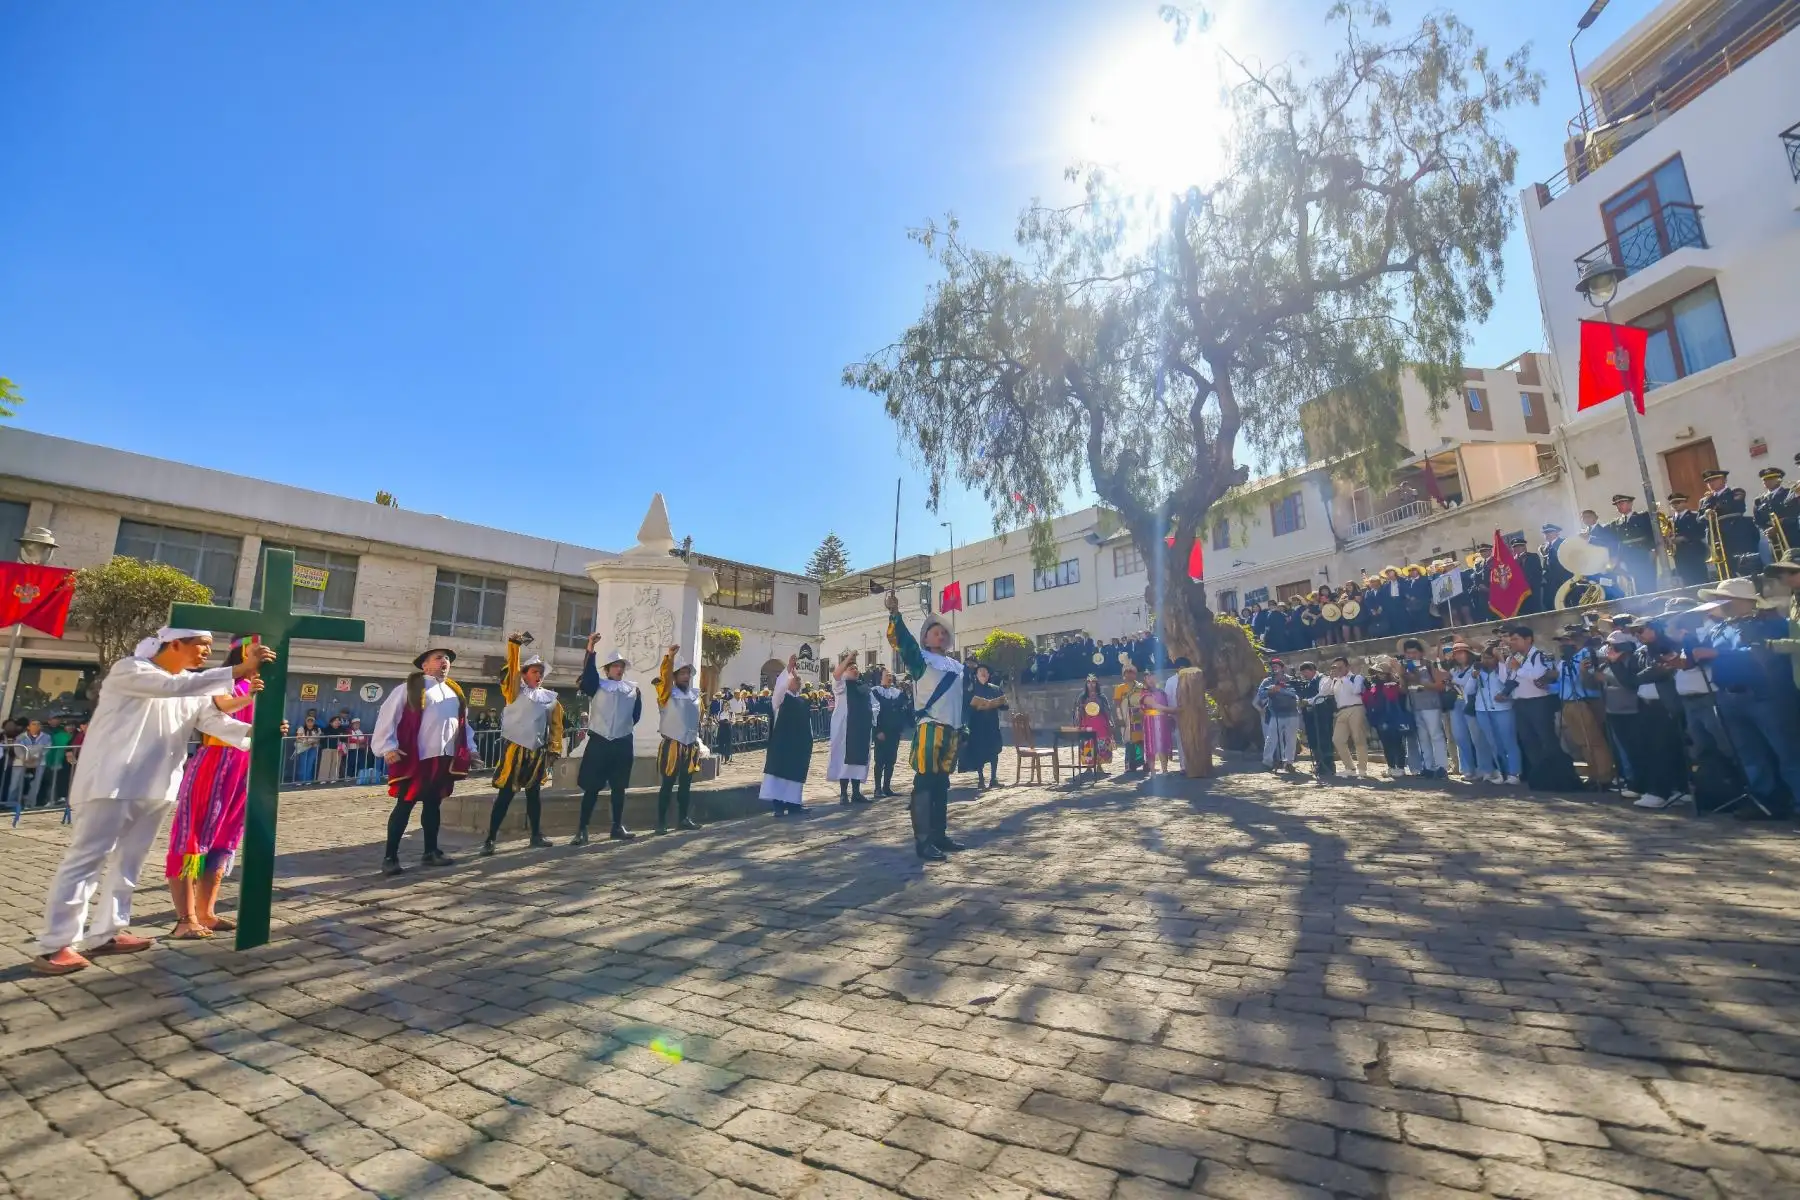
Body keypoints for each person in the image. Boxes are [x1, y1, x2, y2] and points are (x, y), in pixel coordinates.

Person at [34, 627, 275, 975]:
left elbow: (215, 722)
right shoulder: (131, 670)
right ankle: (55, 945)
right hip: (111, 784)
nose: (207, 652)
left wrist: (261, 731)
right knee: (86, 861)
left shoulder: (192, 687)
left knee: (129, 863)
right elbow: (173, 687)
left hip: (156, 787)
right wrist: (238, 670)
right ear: (174, 644)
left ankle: (107, 932)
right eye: (201, 646)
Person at [1690, 576, 1800, 816]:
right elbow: (1702, 651)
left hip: (1766, 696)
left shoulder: (1769, 622)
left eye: (1726, 599)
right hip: (1730, 697)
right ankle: (1766, 801)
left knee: (1788, 752)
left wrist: (1718, 655)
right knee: (1750, 754)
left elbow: (1765, 653)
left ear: (1743, 600)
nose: (1721, 603)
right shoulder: (1720, 627)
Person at [372, 644, 479, 874]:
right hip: (416, 758)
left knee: (433, 804)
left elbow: (463, 725)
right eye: (439, 658)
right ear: (425, 665)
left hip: (442, 758)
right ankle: (390, 857)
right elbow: (388, 717)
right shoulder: (409, 688)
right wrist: (387, 746)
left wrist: (471, 749)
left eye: (448, 659)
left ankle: (431, 852)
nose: (445, 662)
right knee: (405, 804)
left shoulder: (454, 692)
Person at [885, 592, 965, 859]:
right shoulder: (920, 660)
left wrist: (964, 727)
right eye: (935, 632)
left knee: (942, 785)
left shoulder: (957, 666)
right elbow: (904, 642)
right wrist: (895, 614)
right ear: (926, 638)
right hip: (930, 728)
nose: (940, 636)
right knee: (924, 783)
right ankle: (923, 841)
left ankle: (939, 835)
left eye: (944, 632)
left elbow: (961, 699)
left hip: (951, 730)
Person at [482, 633, 565, 856]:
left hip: (537, 752)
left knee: (534, 795)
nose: (538, 675)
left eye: (540, 672)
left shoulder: (550, 698)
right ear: (524, 675)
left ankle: (536, 835)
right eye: (534, 672)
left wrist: (554, 748)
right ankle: (490, 838)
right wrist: (514, 646)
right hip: (515, 751)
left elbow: (556, 725)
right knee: (505, 796)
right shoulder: (513, 692)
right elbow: (511, 669)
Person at [575, 634, 642, 843]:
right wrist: (590, 648)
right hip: (599, 742)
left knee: (619, 787)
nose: (619, 669)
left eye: (621, 666)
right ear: (607, 669)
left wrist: (622, 729)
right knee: (592, 788)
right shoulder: (598, 685)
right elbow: (587, 677)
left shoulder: (633, 689)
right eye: (614, 666)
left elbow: (635, 715)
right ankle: (582, 828)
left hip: (622, 742)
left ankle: (617, 826)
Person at [1502, 624, 1583, 791]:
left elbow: (1538, 675)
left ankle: (1558, 775)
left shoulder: (1541, 655)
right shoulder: (1513, 657)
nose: (1512, 643)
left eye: (1515, 639)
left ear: (1528, 639)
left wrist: (1519, 669)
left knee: (1546, 738)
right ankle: (1540, 775)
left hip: (1539, 702)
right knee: (1528, 740)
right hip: (1520, 702)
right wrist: (1506, 664)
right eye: (1511, 640)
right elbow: (1507, 678)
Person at [650, 644, 705, 834]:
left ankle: (683, 818)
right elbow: (664, 679)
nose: (685, 676)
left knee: (685, 785)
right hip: (672, 744)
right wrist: (669, 658)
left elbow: (698, 717)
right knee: (667, 784)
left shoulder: (695, 696)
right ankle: (661, 822)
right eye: (681, 673)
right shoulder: (666, 693)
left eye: (687, 673)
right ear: (674, 676)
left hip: (690, 745)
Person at [1554, 625, 1615, 791]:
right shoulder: (1565, 658)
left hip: (1584, 700)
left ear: (1576, 640)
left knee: (1594, 740)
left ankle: (1604, 776)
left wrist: (1577, 667)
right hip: (1567, 701)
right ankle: (1593, 774)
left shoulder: (1587, 654)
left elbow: (1584, 679)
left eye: (1566, 640)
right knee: (1582, 742)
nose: (1562, 644)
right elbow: (1560, 680)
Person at [760, 653, 814, 816]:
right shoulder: (781, 698)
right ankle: (778, 806)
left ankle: (794, 804)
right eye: (794, 679)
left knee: (794, 776)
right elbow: (780, 685)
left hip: (797, 745)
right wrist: (790, 667)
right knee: (779, 774)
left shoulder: (802, 701)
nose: (797, 681)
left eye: (799, 680)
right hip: (782, 744)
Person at [827, 651, 874, 804]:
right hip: (845, 729)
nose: (854, 670)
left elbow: (874, 706)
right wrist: (848, 658)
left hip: (861, 729)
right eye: (850, 668)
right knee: (844, 760)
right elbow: (836, 674)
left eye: (856, 668)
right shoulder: (842, 686)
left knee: (859, 761)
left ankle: (856, 793)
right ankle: (843, 794)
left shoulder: (864, 687)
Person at [1473, 644, 1522, 784]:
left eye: (1489, 658)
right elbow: (1470, 689)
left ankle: (1514, 774)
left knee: (1509, 742)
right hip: (1483, 709)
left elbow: (1505, 680)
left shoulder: (1505, 667)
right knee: (1494, 743)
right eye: (1484, 657)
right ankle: (1502, 772)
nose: (1485, 661)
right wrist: (1473, 676)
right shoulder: (1479, 670)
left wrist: (1501, 659)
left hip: (1503, 709)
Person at [1445, 642, 1491, 782]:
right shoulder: (1454, 670)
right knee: (1460, 737)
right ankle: (1467, 769)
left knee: (1477, 737)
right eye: (1456, 653)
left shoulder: (1475, 667)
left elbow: (1466, 682)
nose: (1459, 656)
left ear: (1468, 653)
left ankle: (1484, 768)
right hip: (1457, 703)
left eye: (1462, 652)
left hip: (1472, 704)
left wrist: (1450, 679)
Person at [1363, 660, 1412, 779]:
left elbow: (1399, 694)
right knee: (1386, 744)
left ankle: (1400, 767)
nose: (1378, 675)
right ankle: (1391, 766)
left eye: (1381, 673)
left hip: (1393, 718)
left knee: (1397, 743)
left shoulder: (1394, 685)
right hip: (1380, 719)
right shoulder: (1374, 686)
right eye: (1377, 673)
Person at [963, 663, 1008, 789]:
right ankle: (981, 778)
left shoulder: (995, 688)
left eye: (985, 672)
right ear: (976, 675)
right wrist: (975, 705)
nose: (983, 674)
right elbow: (965, 707)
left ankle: (994, 778)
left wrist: (999, 703)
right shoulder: (971, 690)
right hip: (977, 725)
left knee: (994, 751)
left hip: (992, 725)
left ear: (988, 675)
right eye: (980, 671)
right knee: (979, 752)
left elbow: (1005, 706)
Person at [1324, 657, 1370, 779]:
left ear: (1347, 667)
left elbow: (1356, 690)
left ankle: (1362, 769)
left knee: (1358, 739)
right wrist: (1331, 678)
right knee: (1337, 739)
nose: (1337, 670)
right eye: (1335, 667)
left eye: (1340, 667)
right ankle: (1350, 767)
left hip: (1356, 708)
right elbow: (1325, 692)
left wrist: (1343, 678)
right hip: (1341, 711)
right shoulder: (1335, 681)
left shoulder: (1356, 678)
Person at [1254, 659, 1302, 772]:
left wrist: (1281, 690)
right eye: (1272, 666)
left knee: (1291, 739)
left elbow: (1296, 694)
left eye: (1276, 666)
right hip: (1275, 714)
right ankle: (1267, 762)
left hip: (1291, 713)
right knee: (1271, 739)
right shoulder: (1267, 681)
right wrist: (1270, 691)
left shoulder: (1290, 680)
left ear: (1282, 667)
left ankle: (1289, 763)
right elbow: (1260, 694)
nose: (1274, 668)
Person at [1606, 495, 1657, 597]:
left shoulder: (1643, 517)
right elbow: (1610, 539)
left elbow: (1651, 534)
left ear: (1630, 503)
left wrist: (1653, 550)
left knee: (1648, 581)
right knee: (1634, 583)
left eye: (1621, 503)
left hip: (1642, 554)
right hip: (1627, 557)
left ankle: (1653, 603)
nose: (1619, 507)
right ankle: (1642, 605)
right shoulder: (1616, 523)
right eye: (1617, 505)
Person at [1292, 662, 1335, 781]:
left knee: (1324, 738)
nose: (1304, 675)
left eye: (1305, 672)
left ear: (1312, 670)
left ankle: (1328, 765)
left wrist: (1308, 701)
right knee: (1313, 739)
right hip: (1310, 715)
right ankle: (1318, 764)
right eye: (1303, 673)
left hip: (1322, 714)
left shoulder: (1323, 679)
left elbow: (1322, 695)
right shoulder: (1306, 683)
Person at [871, 669, 909, 796]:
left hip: (894, 732)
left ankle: (887, 787)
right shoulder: (876, 691)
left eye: (890, 675)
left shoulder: (897, 692)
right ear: (881, 677)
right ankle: (877, 788)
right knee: (880, 760)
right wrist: (877, 731)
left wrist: (900, 729)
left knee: (891, 760)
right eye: (886, 675)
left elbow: (903, 710)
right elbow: (874, 712)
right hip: (882, 731)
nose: (889, 677)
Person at [8, 718, 54, 809]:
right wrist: (24, 758)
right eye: (33, 724)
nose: (36, 726)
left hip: (39, 763)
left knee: (35, 784)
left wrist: (34, 757)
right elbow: (17, 748)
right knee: (15, 784)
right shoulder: (21, 737)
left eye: (38, 724)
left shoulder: (46, 737)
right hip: (21, 763)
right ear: (28, 727)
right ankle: (10, 803)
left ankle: (30, 804)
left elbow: (45, 748)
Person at [1666, 493, 1709, 587]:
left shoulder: (1695, 516)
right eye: (1672, 503)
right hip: (1680, 554)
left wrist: (1685, 538)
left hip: (1694, 551)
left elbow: (1701, 532)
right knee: (1685, 579)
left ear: (1685, 502)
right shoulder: (1670, 520)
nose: (1675, 505)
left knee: (1700, 578)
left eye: (1678, 502)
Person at [1073, 675, 1114, 772]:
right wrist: (1081, 710)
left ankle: (1099, 765)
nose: (1091, 684)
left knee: (1101, 745)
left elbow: (1107, 710)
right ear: (1086, 684)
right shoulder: (1082, 697)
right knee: (1088, 745)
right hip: (1087, 724)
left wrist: (1110, 721)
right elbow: (1077, 711)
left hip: (1100, 724)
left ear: (1097, 684)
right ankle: (1088, 766)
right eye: (1088, 682)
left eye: (1093, 682)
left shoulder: (1102, 697)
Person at [1113, 664, 1148, 772]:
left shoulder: (1141, 687)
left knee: (1141, 740)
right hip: (1126, 717)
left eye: (1131, 672)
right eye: (1127, 673)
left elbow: (1145, 701)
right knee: (1129, 741)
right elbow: (1117, 704)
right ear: (1123, 674)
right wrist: (1119, 717)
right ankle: (1130, 764)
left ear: (1135, 674)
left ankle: (1142, 762)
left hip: (1139, 716)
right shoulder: (1120, 688)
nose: (1129, 675)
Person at [1140, 674, 1177, 773]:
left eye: (1153, 677)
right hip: (1150, 722)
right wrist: (1174, 710)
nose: (1151, 680)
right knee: (1151, 745)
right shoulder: (1144, 693)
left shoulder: (1161, 692)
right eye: (1148, 678)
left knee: (1163, 744)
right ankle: (1152, 771)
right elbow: (1155, 705)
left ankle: (1165, 770)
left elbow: (1166, 704)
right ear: (1145, 680)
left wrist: (1170, 714)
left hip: (1163, 721)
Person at [1539, 524, 1571, 608]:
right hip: (1551, 581)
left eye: (1549, 532)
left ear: (1557, 533)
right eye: (1545, 533)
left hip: (1563, 578)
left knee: (1566, 602)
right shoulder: (1545, 547)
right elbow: (1546, 564)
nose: (1547, 535)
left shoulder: (1563, 543)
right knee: (1550, 603)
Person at [291, 715, 322, 783]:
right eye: (309, 721)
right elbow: (298, 737)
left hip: (313, 748)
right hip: (303, 748)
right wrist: (306, 741)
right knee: (303, 764)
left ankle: (308, 780)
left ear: (314, 722)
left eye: (312, 721)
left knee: (310, 764)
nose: (310, 722)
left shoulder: (317, 729)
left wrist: (314, 742)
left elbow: (318, 738)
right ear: (306, 722)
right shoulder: (301, 728)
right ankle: (300, 780)